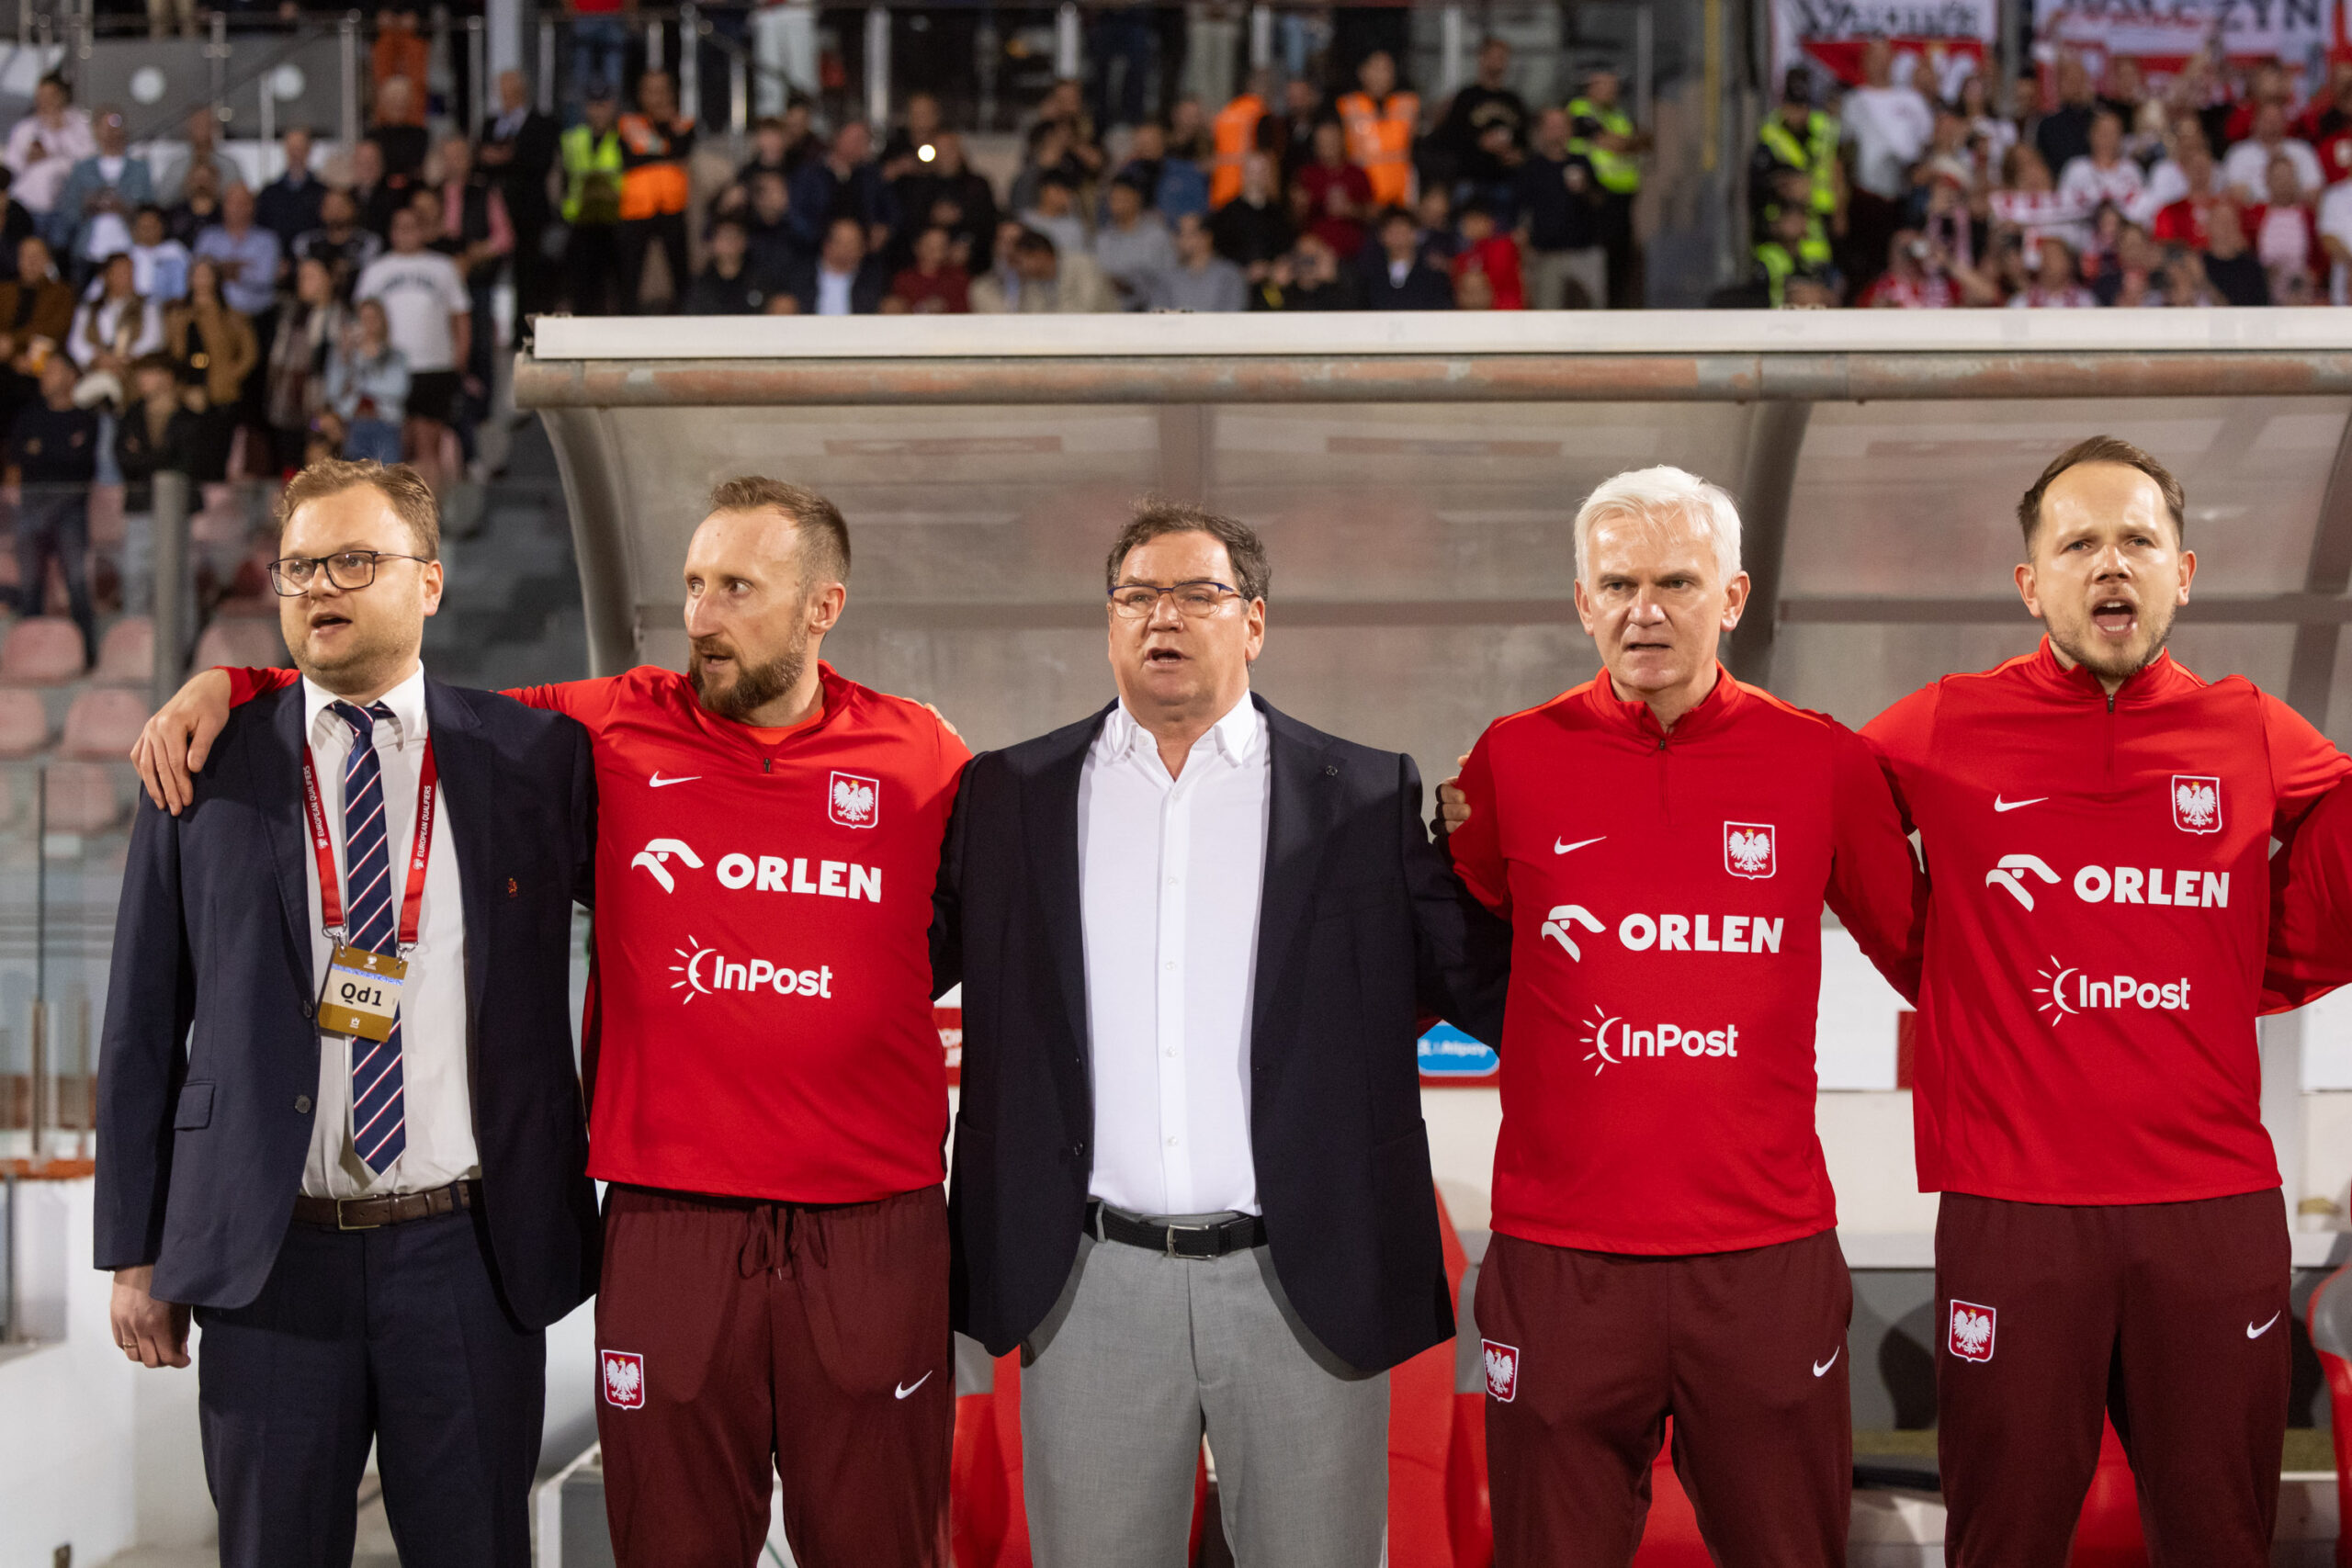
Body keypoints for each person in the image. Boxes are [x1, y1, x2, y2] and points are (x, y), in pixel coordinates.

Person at [135, 476, 975, 1567]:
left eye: (736, 588)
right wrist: (231, 680)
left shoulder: (924, 755)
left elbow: (966, 936)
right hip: (671, 1212)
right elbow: (394, 692)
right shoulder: (608, 726)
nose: (702, 617)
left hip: (871, 1217)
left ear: (824, 606)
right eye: (692, 586)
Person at [932, 501, 1509, 1568]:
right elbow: (889, 971)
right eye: (1137, 596)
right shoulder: (1008, 796)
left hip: (1300, 1282)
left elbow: (1489, 989)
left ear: (1252, 622)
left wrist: (1523, 853)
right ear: (1108, 625)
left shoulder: (1364, 794)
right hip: (1089, 1281)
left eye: (1196, 594)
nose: (1165, 617)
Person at [97, 458, 597, 1568]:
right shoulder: (202, 761)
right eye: (298, 565)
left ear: (429, 580)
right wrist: (135, 1252)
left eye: (355, 560)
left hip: (468, 1256)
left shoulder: (533, 759)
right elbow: (141, 1021)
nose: (320, 585)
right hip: (270, 1262)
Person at [1858, 436, 2350, 1565]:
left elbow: (2340, 848)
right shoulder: (1943, 723)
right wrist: (1941, 963)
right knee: (2005, 1538)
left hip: (2213, 1211)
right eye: (2077, 543)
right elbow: (1821, 820)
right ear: (2031, 584)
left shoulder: (2252, 728)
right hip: (2013, 1210)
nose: (2109, 566)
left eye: (2137, 540)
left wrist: (2253, 970)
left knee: (2221, 1537)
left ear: (2184, 571)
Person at [1442, 465, 1920, 1563]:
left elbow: (1933, 958)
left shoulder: (1821, 760)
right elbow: (1454, 945)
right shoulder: (1510, 758)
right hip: (1563, 1257)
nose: (1642, 610)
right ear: (1580, 600)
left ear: (1733, 596)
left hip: (1762, 1256)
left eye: (1675, 581)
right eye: (1615, 584)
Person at [354, 208, 468, 492]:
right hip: (387, 368)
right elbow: (360, 318)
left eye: (412, 226)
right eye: (399, 227)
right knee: (391, 446)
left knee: (429, 445)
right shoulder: (376, 270)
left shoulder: (443, 267)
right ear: (391, 232)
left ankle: (433, 520)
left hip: (434, 366)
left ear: (423, 230)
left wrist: (459, 361)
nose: (405, 233)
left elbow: (461, 317)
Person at [6, 352, 97, 663]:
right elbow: (22, 455)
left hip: (71, 508)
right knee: (31, 586)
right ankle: (27, 656)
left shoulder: (86, 418)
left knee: (77, 583)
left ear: (73, 376)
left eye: (55, 370)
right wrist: (59, 452)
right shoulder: (29, 416)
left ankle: (88, 655)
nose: (46, 376)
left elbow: (82, 464)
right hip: (32, 505)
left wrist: (44, 451)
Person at [1834, 40, 1928, 301]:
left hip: (1906, 198)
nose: (1879, 63)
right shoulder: (1854, 102)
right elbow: (1841, 157)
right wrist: (1840, 206)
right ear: (1864, 62)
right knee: (1866, 269)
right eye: (1873, 57)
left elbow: (1927, 148)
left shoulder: (1912, 100)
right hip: (1867, 199)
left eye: (1884, 56)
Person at [113, 353, 195, 616]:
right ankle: (135, 641)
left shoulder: (187, 417)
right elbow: (124, 459)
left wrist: (143, 456)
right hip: (140, 505)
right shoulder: (132, 415)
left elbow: (186, 462)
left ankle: (184, 647)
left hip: (176, 509)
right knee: (135, 577)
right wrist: (159, 458)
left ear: (166, 378)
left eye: (148, 372)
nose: (141, 379)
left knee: (177, 579)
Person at [164, 255, 256, 483]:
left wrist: (230, 375)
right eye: (197, 274)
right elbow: (173, 354)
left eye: (207, 274)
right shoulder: (178, 316)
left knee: (218, 455)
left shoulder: (230, 316)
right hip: (188, 393)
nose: (202, 280)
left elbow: (249, 353)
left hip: (221, 395)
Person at [479, 71, 560, 318]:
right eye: (502, 89)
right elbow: (480, 160)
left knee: (530, 274)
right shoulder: (490, 124)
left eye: (511, 88)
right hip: (494, 211)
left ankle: (528, 330)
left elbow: (540, 161)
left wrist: (505, 158)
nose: (506, 94)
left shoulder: (542, 123)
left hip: (529, 211)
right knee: (488, 273)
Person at [1567, 66, 1649, 308]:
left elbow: (1646, 140)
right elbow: (1617, 144)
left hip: (1623, 198)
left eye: (1613, 85)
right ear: (1590, 87)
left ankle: (1616, 309)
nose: (1611, 90)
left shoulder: (1618, 116)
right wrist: (1632, 142)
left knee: (1621, 261)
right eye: (1605, 84)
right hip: (1596, 197)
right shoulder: (1581, 111)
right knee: (1599, 261)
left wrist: (1632, 142)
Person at [617, 71, 695, 312]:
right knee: (629, 276)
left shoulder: (684, 122)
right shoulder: (627, 123)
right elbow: (632, 154)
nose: (658, 97)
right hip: (636, 208)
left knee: (681, 273)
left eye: (663, 90)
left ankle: (686, 320)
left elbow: (681, 148)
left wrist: (659, 141)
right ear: (641, 95)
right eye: (651, 91)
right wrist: (666, 149)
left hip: (673, 207)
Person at [1518, 107, 1607, 308]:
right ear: (1541, 131)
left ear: (1570, 130)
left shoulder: (1582, 162)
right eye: (1551, 126)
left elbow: (1600, 200)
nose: (1556, 132)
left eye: (1561, 126)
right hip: (1547, 255)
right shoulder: (1532, 168)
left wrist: (1584, 188)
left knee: (1594, 311)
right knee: (1547, 313)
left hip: (1584, 252)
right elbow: (1521, 213)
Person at [267, 255, 346, 473]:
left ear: (329, 279)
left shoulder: (340, 318)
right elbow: (278, 359)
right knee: (290, 462)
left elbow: (344, 366)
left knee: (318, 462)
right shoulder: (291, 315)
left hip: (322, 409)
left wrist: (333, 409)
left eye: (311, 276)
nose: (303, 281)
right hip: (288, 402)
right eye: (301, 276)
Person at [50, 107, 153, 269]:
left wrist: (124, 208)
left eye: (116, 125)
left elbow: (150, 210)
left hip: (128, 250)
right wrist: (87, 206)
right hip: (88, 251)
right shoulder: (82, 169)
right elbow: (68, 211)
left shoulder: (139, 169)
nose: (111, 132)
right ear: (96, 130)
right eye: (106, 126)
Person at [1432, 37, 1529, 211]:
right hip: (1471, 181)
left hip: (1504, 182)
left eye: (1502, 57)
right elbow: (1449, 137)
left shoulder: (1514, 101)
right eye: (1493, 56)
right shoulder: (1466, 97)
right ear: (1481, 58)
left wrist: (1517, 155)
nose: (1497, 62)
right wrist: (1480, 142)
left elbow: (1525, 141)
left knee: (1502, 235)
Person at [561, 86, 628, 315]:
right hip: (581, 221)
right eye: (594, 105)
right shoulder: (572, 139)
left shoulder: (624, 138)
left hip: (616, 220)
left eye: (604, 105)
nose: (599, 112)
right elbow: (562, 178)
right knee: (583, 289)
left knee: (620, 288)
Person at [0, 235, 74, 429]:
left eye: (37, 256)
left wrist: (14, 343)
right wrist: (13, 357)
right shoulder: (4, 291)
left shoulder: (62, 292)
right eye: (26, 256)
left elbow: (54, 329)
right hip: (6, 360)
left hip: (42, 360)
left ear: (47, 260)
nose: (31, 261)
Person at [325, 298, 409, 464]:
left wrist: (364, 377)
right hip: (353, 424)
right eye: (364, 318)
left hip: (385, 423)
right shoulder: (346, 355)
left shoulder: (395, 355)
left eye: (373, 318)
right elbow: (333, 391)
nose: (369, 324)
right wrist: (344, 359)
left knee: (385, 481)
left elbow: (398, 388)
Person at [6, 74, 93, 223]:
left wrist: (61, 131)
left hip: (69, 203)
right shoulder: (25, 128)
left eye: (51, 96)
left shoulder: (79, 123)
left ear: (62, 96)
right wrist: (29, 160)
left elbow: (89, 158)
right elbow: (9, 169)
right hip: (29, 205)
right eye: (41, 96)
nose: (46, 101)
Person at [1339, 51, 1419, 210]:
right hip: (1363, 202)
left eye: (1386, 69)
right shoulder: (1347, 106)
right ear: (1362, 72)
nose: (1381, 75)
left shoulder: (1408, 105)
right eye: (1375, 68)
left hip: (1400, 200)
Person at [968, 227, 1117, 313]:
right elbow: (1030, 318)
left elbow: (1087, 309)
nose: (1017, 268)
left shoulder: (1082, 265)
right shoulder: (1032, 282)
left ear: (1039, 256)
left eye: (1020, 261)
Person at [1206, 151, 1293, 281]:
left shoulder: (1279, 213)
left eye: (1261, 171)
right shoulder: (1227, 213)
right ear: (1243, 175)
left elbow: (1286, 248)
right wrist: (1244, 270)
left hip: (1272, 280)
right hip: (1235, 279)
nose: (1256, 177)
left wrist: (1269, 268)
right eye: (1252, 171)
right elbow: (1218, 250)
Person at [778, 216, 890, 316]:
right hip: (809, 334)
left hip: (859, 335)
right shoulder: (801, 273)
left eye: (851, 243)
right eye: (840, 241)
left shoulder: (873, 276)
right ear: (826, 245)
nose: (846, 248)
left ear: (863, 248)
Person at [1094, 175, 1175, 308]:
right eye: (1113, 199)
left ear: (1137, 198)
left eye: (1122, 198)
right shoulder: (1102, 239)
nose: (1116, 204)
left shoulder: (1157, 236)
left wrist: (1133, 284)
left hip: (1151, 313)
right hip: (1112, 314)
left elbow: (1170, 278)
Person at [294, 187, 385, 302]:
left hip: (356, 305)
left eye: (340, 205)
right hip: (315, 307)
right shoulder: (306, 242)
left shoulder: (368, 242)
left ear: (354, 208)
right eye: (329, 206)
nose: (335, 211)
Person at [1144, 210, 1247, 310]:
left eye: (1190, 234)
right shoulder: (1167, 277)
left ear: (1207, 237)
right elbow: (1157, 312)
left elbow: (1233, 315)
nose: (1183, 240)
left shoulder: (1229, 275)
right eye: (1180, 234)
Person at [2223, 101, 2323, 204]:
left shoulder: (2302, 151)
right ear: (2254, 122)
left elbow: (2313, 192)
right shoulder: (2239, 153)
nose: (2272, 125)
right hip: (2255, 215)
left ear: (2285, 122)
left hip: (2294, 212)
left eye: (2276, 120)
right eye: (2267, 120)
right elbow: (2236, 194)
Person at [1361, 206, 1453, 308]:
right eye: (1392, 231)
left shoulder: (1432, 272)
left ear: (1414, 233)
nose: (1398, 237)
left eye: (1402, 231)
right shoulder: (1370, 272)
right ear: (1381, 236)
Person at [255, 125, 325, 254]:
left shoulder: (323, 193)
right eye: (292, 149)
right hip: (277, 261)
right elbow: (262, 231)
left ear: (308, 150)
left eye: (300, 148)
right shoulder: (269, 194)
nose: (295, 154)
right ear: (285, 150)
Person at [682, 217, 774, 314]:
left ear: (744, 241)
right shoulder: (700, 286)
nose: (730, 242)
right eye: (724, 237)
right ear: (712, 243)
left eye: (735, 236)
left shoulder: (760, 280)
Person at [1451, 199, 1522, 308]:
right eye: (1467, 221)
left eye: (1475, 221)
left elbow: (1490, 281)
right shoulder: (1467, 254)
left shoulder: (1504, 245)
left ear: (1490, 222)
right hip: (1475, 314)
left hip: (1507, 311)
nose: (1470, 226)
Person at [886, 224, 969, 313]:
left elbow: (965, 315)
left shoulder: (958, 278)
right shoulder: (904, 279)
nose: (936, 252)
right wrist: (922, 309)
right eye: (930, 246)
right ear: (917, 247)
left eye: (941, 246)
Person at [128, 205, 189, 303]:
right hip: (136, 308)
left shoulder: (175, 250)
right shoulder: (129, 255)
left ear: (162, 226)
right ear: (135, 229)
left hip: (171, 307)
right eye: (144, 227)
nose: (148, 231)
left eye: (152, 226)